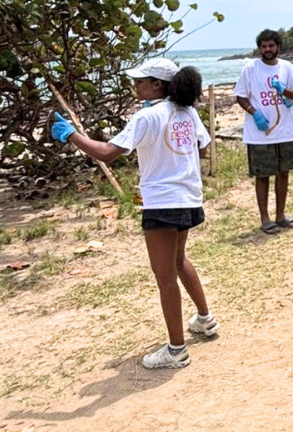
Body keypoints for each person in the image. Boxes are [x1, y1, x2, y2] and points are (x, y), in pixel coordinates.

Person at [51, 58, 219, 369]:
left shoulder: (147, 116)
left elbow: (107, 153)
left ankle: (176, 350)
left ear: (157, 84)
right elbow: (203, 148)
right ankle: (205, 319)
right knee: (179, 259)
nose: (135, 85)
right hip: (188, 197)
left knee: (165, 277)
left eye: (141, 81)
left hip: (162, 203)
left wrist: (70, 134)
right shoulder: (187, 111)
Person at [234, 29, 293, 234]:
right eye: (264, 46)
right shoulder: (251, 68)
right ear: (259, 48)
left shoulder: (287, 67)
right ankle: (265, 218)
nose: (268, 49)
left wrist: (283, 90)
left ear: (278, 47)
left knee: (283, 173)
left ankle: (280, 216)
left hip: (284, 131)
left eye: (271, 45)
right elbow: (240, 96)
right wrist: (254, 113)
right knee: (262, 175)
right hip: (260, 134)